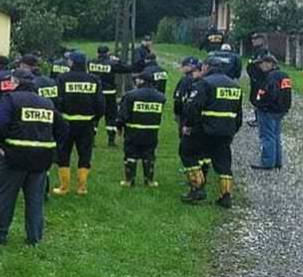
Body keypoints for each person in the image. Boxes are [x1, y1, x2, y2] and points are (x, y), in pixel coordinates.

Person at [0, 70, 68, 246]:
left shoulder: (10, 99)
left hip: (14, 156)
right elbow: (62, 128)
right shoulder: (46, 103)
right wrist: (52, 147)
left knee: (5, 198)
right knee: (35, 200)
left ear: (15, 82)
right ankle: (34, 237)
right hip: (41, 158)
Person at [180, 57, 243, 208]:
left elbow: (193, 107)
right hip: (226, 131)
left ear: (207, 67)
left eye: (202, 67)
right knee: (223, 162)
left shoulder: (204, 83)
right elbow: (238, 113)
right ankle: (225, 196)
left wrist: (188, 125)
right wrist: (233, 129)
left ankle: (197, 188)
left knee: (187, 152)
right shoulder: (235, 86)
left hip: (205, 128)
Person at [53, 51, 104, 196]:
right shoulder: (94, 79)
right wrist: (95, 118)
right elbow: (100, 103)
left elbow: (58, 100)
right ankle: (82, 187)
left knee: (63, 153)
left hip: (66, 122)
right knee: (85, 154)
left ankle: (64, 187)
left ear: (72, 63)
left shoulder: (63, 78)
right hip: (86, 123)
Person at [116, 72, 166, 187]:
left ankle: (129, 181)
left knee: (131, 154)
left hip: (133, 131)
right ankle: (149, 181)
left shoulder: (130, 95)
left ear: (142, 81)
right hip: (152, 131)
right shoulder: (161, 97)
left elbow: (122, 115)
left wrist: (119, 127)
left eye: (138, 79)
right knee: (149, 154)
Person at [250, 54, 293, 170]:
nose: (260, 66)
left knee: (267, 136)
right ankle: (277, 161)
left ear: (270, 64)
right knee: (276, 136)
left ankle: (267, 163)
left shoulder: (270, 77)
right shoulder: (284, 75)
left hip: (268, 110)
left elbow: (268, 94)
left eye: (262, 63)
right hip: (281, 110)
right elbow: (287, 93)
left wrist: (259, 104)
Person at [89, 45, 130, 146]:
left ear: (98, 53)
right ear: (107, 53)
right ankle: (111, 140)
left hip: (95, 93)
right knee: (111, 117)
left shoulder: (91, 62)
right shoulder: (112, 63)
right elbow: (127, 68)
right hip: (109, 93)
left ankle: (92, 140)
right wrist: (118, 60)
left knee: (94, 117)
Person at [246, 33, 272, 127]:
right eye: (252, 39)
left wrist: (257, 78)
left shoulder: (262, 52)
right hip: (255, 80)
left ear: (261, 40)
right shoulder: (256, 51)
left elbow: (262, 67)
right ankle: (258, 119)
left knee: (258, 99)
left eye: (255, 39)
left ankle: (260, 120)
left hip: (259, 80)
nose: (253, 40)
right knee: (254, 99)